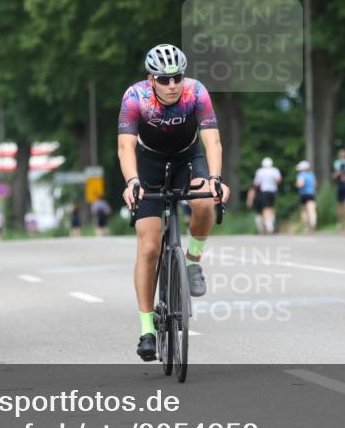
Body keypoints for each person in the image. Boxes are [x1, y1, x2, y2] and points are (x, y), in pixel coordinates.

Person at [118, 44, 230, 362]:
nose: (171, 85)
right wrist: (132, 182)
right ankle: (146, 330)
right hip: (148, 163)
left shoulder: (196, 92)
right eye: (163, 80)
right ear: (150, 79)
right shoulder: (135, 97)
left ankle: (193, 260)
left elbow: (212, 140)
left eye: (176, 77)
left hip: (187, 158)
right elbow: (125, 147)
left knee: (205, 201)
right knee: (149, 247)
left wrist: (217, 178)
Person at [252, 157, 282, 234]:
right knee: (271, 208)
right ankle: (270, 225)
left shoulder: (260, 171)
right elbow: (279, 180)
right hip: (273, 191)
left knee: (265, 209)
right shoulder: (275, 170)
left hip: (264, 191)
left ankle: (269, 227)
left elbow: (256, 183)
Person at [332, 149, 345, 230]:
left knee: (340, 206)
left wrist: (335, 175)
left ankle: (341, 223)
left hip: (341, 185)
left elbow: (336, 174)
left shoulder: (337, 163)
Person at [295, 160, 318, 232]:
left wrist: (297, 185)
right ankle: (313, 222)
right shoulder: (311, 175)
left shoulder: (301, 175)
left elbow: (300, 184)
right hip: (311, 194)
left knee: (304, 211)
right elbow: (315, 184)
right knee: (312, 210)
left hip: (304, 194)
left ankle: (306, 226)